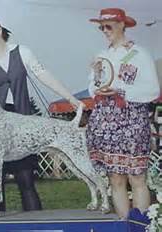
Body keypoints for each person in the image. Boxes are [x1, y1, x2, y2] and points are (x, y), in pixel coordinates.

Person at [0, 16, 83, 211]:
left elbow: (44, 76)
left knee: (26, 181)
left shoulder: (22, 52)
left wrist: (71, 98)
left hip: (22, 121)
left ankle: (37, 226)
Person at [86, 8, 160, 219]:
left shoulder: (140, 54)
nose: (104, 30)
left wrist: (122, 91)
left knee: (136, 178)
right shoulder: (102, 56)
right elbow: (92, 88)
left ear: (122, 25)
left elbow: (153, 90)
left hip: (133, 122)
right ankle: (124, 225)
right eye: (101, 27)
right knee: (115, 178)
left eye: (108, 26)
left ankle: (142, 226)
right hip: (105, 123)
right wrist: (98, 83)